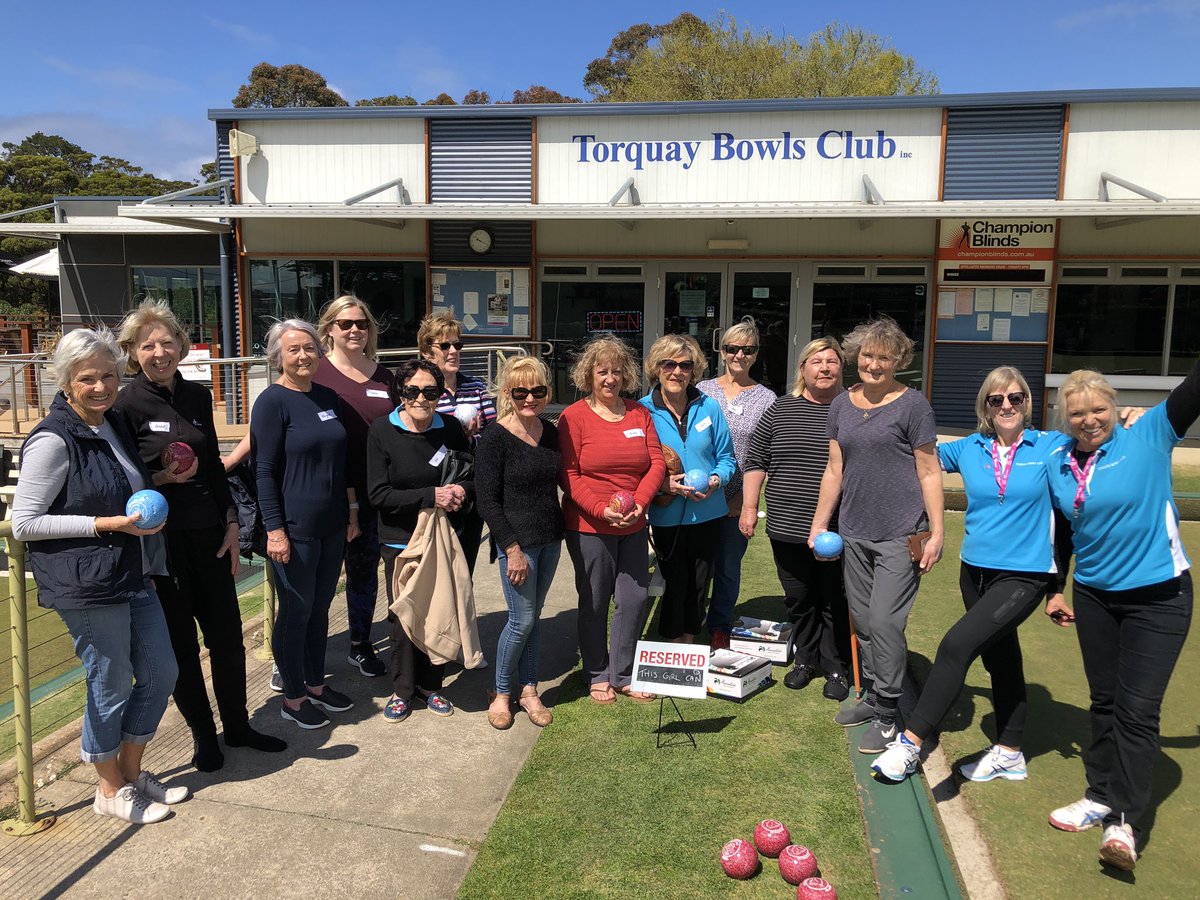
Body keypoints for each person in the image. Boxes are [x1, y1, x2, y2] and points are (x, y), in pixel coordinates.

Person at [12, 328, 186, 823]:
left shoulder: (111, 424)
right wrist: (107, 525)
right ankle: (108, 789)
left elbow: (118, 486)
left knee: (160, 672)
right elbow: (25, 523)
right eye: (87, 378)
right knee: (109, 683)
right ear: (66, 383)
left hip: (131, 572)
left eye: (108, 375)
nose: (101, 386)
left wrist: (156, 494)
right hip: (87, 581)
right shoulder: (52, 438)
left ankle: (131, 773)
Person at [870, 367, 1072, 785]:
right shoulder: (969, 448)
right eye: (996, 400)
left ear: (1027, 403)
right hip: (975, 571)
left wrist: (1126, 424)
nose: (1006, 406)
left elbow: (1094, 445)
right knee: (1002, 658)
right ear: (985, 406)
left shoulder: (1050, 446)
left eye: (1015, 398)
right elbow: (915, 460)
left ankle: (909, 744)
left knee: (956, 646)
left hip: (1025, 575)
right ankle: (1011, 751)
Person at [114, 301, 286, 772]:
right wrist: (161, 480)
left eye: (167, 341)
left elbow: (212, 467)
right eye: (147, 344)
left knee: (228, 639)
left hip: (210, 534)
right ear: (132, 352)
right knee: (181, 647)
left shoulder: (196, 395)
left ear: (181, 346)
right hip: (163, 544)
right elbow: (123, 480)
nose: (159, 351)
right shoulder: (125, 404)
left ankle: (238, 725)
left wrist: (232, 523)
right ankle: (203, 736)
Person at [1042, 364, 1198, 871]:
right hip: (1094, 597)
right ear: (1065, 419)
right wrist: (1056, 589)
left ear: (1115, 407)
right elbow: (1065, 532)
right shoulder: (1060, 461)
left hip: (1160, 597)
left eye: (1099, 410)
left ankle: (1124, 823)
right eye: (1078, 413)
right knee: (1104, 702)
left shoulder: (1150, 432)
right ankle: (1098, 795)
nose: (1090, 421)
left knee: (1137, 710)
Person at [809, 317, 944, 755]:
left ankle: (888, 713)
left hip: (901, 532)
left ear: (898, 361)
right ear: (857, 356)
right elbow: (835, 469)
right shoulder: (841, 405)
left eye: (883, 357)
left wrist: (937, 531)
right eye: (867, 355)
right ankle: (874, 695)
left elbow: (928, 471)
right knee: (865, 623)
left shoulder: (913, 406)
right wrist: (819, 523)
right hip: (854, 532)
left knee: (886, 621)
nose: (873, 363)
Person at [252, 319, 357, 730]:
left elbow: (341, 462)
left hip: (332, 524)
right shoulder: (271, 402)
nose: (302, 356)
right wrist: (275, 530)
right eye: (293, 349)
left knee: (320, 611)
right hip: (293, 529)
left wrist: (350, 514)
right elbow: (263, 471)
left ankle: (315, 684)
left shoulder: (328, 396)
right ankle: (292, 697)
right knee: (296, 611)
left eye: (309, 348)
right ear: (278, 356)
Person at [741, 338, 854, 701]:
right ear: (803, 369)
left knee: (835, 598)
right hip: (787, 526)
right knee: (800, 598)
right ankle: (805, 660)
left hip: (838, 529)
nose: (824, 367)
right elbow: (756, 459)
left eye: (832, 361)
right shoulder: (779, 410)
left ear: (841, 368)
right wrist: (748, 507)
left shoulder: (853, 410)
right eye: (816, 361)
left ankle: (837, 666)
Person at [559, 335, 666, 703]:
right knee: (595, 599)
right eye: (602, 371)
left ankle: (622, 673)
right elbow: (568, 474)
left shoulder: (639, 413)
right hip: (590, 526)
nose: (610, 379)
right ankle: (597, 672)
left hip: (634, 522)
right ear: (588, 375)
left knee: (634, 597)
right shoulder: (573, 417)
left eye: (617, 372)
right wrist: (599, 509)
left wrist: (640, 502)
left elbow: (656, 463)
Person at [366, 359, 473, 723]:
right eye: (413, 391)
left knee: (438, 611)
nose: (422, 399)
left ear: (441, 394)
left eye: (431, 391)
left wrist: (460, 490)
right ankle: (402, 690)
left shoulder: (452, 429)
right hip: (400, 542)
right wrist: (432, 495)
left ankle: (432, 686)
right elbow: (378, 494)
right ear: (401, 393)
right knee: (404, 616)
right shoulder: (382, 430)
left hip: (441, 539)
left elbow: (471, 477)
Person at [476, 356, 563, 729]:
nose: (530, 398)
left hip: (550, 538)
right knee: (521, 619)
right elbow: (487, 500)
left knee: (534, 619)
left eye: (538, 390)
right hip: (518, 543)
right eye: (520, 391)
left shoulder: (552, 431)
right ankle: (500, 693)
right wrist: (510, 548)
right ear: (507, 394)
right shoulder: (495, 437)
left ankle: (529, 691)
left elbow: (565, 481)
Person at [313, 295, 395, 679]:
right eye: (345, 324)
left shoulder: (384, 377)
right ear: (329, 328)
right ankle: (301, 653)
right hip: (329, 494)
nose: (354, 330)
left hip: (376, 492)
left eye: (361, 324)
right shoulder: (315, 373)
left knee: (365, 573)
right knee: (320, 579)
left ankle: (360, 644)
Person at [640, 334, 736, 645]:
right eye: (669, 364)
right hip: (666, 512)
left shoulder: (709, 407)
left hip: (708, 511)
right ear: (657, 368)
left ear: (693, 372)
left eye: (685, 365)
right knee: (674, 580)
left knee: (698, 581)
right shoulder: (642, 411)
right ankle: (670, 641)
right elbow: (636, 466)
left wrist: (715, 480)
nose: (676, 372)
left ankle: (689, 641)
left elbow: (726, 458)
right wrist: (661, 485)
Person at [696, 321, 777, 648]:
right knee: (697, 566)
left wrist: (745, 501)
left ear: (756, 354)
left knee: (728, 567)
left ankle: (719, 626)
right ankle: (688, 623)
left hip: (735, 498)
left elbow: (766, 455)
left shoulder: (766, 398)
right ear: (722, 351)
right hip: (698, 496)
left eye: (748, 349)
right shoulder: (702, 390)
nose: (739, 355)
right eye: (732, 348)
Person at [418, 312, 496, 574]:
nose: (453, 351)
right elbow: (415, 437)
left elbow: (493, 432)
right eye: (444, 345)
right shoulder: (419, 391)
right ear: (427, 352)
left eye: (457, 345)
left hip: (469, 486)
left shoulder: (475, 387)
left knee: (464, 568)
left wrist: (473, 437)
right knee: (434, 572)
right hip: (433, 488)